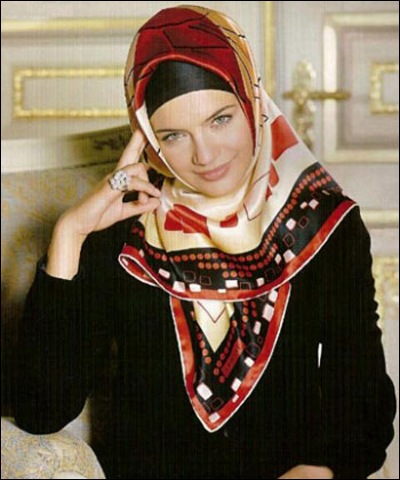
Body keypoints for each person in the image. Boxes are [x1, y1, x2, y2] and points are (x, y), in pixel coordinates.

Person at [11, 5, 396, 480]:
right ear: (148, 138)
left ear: (252, 103)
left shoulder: (323, 223)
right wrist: (70, 234)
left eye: (220, 120)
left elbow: (362, 402)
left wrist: (320, 470)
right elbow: (40, 410)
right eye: (174, 135)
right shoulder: (125, 232)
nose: (205, 155)